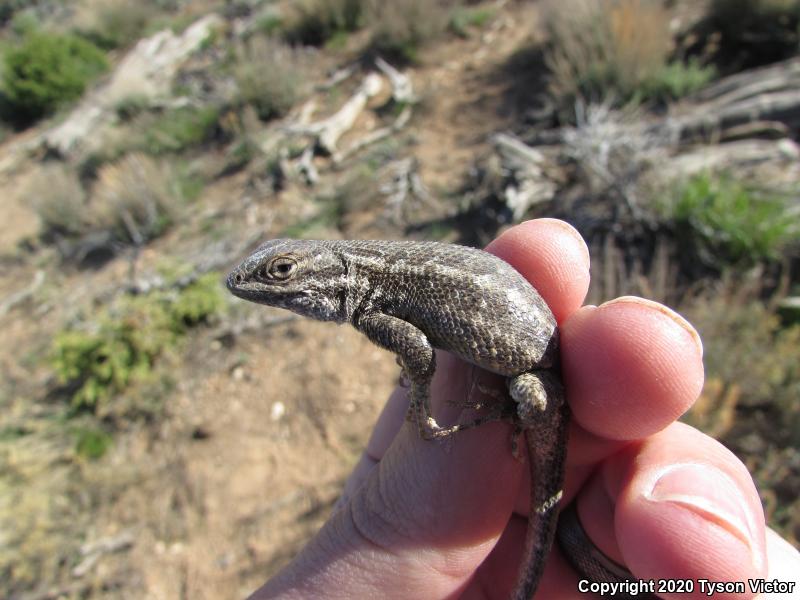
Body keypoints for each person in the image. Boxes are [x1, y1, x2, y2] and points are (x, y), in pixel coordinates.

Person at [248, 219, 800, 599]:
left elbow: (418, 350)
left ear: (332, 269)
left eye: (282, 272)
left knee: (531, 403)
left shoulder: (372, 296)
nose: (264, 286)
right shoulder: (374, 284)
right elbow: (418, 345)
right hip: (534, 352)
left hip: (537, 382)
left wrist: (421, 399)